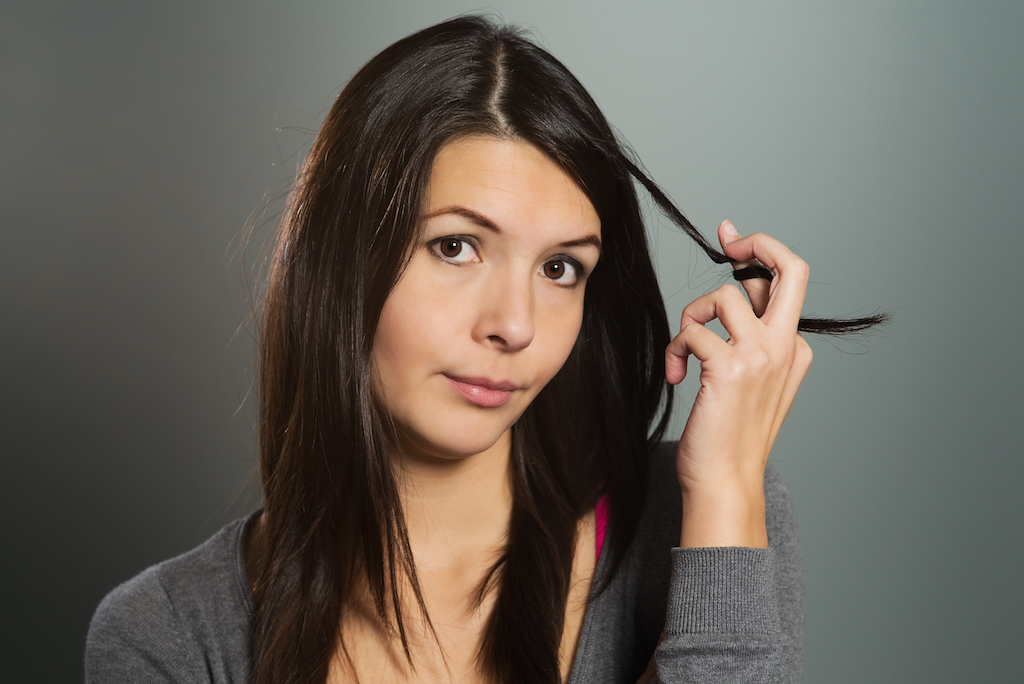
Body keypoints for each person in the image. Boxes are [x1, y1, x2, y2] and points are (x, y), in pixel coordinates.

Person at [85, 15, 883, 684]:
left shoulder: (712, 516)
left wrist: (726, 485)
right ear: (340, 264)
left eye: (561, 268)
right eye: (457, 247)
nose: (516, 325)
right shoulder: (167, 635)